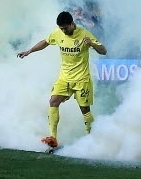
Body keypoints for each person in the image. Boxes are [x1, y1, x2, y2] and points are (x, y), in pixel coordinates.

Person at [17, 11, 107, 150]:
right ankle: (53, 138)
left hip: (82, 79)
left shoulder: (85, 34)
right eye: (61, 28)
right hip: (64, 78)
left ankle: (93, 139)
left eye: (65, 28)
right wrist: (29, 51)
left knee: (85, 110)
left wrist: (92, 44)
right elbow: (45, 42)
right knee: (53, 101)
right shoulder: (58, 33)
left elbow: (103, 51)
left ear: (72, 24)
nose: (63, 31)